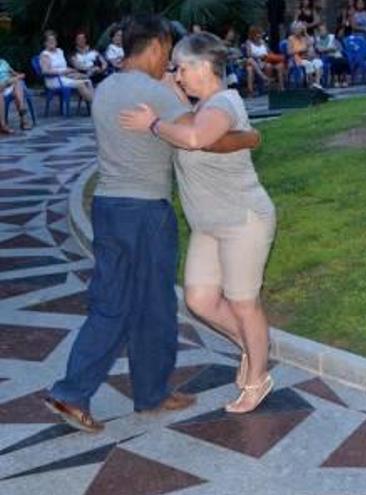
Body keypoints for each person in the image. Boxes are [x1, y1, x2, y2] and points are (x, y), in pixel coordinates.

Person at [43, 14, 259, 433]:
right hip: (145, 212)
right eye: (171, 55)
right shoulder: (154, 95)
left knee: (110, 302)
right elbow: (204, 138)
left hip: (107, 207)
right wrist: (251, 137)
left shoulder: (106, 87)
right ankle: (131, 393)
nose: (174, 66)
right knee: (155, 306)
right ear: (159, 45)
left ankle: (97, 392)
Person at [119, 32, 276, 414]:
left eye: (183, 67)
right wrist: (165, 85)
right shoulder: (202, 103)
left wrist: (153, 124)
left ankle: (258, 376)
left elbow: (193, 137)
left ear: (204, 66)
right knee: (199, 299)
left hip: (243, 219)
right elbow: (189, 119)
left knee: (243, 303)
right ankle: (255, 348)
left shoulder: (223, 103)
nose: (178, 74)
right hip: (207, 224)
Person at [40, 30, 95, 105]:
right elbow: (45, 71)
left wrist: (71, 71)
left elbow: (63, 66)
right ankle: (95, 104)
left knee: (87, 80)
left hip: (65, 76)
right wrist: (62, 72)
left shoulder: (59, 51)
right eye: (49, 41)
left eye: (54, 40)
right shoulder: (45, 55)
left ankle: (93, 104)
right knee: (80, 84)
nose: (52, 42)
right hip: (54, 80)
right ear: (45, 43)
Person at [245, 25, 285, 94]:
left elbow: (269, 52)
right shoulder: (248, 43)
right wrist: (259, 56)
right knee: (251, 65)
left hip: (266, 61)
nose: (259, 35)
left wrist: (269, 57)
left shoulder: (263, 42)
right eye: (257, 34)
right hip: (256, 62)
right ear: (252, 35)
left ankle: (271, 87)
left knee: (269, 65)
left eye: (260, 33)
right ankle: (264, 80)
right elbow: (249, 55)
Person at [287, 21, 324, 88]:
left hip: (308, 57)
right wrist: (300, 50)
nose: (298, 30)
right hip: (297, 59)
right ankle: (311, 83)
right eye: (297, 29)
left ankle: (317, 83)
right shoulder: (291, 38)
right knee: (308, 64)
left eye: (300, 28)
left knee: (318, 62)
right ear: (293, 30)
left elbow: (311, 43)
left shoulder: (304, 37)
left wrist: (305, 32)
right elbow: (289, 52)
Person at [0, 57, 33, 132]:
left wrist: (19, 76)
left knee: (18, 83)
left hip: (9, 85)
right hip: (1, 87)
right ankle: (3, 125)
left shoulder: (3, 62)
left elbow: (14, 73)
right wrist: (9, 81)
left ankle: (22, 115)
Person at [314, 22, 351, 87]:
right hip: (326, 57)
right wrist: (329, 49)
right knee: (336, 61)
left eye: (324, 30)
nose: (323, 32)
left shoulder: (332, 37)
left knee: (343, 60)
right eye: (321, 30)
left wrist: (327, 49)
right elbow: (319, 49)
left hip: (336, 54)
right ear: (318, 32)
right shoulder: (317, 39)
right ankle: (339, 81)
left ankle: (343, 80)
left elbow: (337, 47)